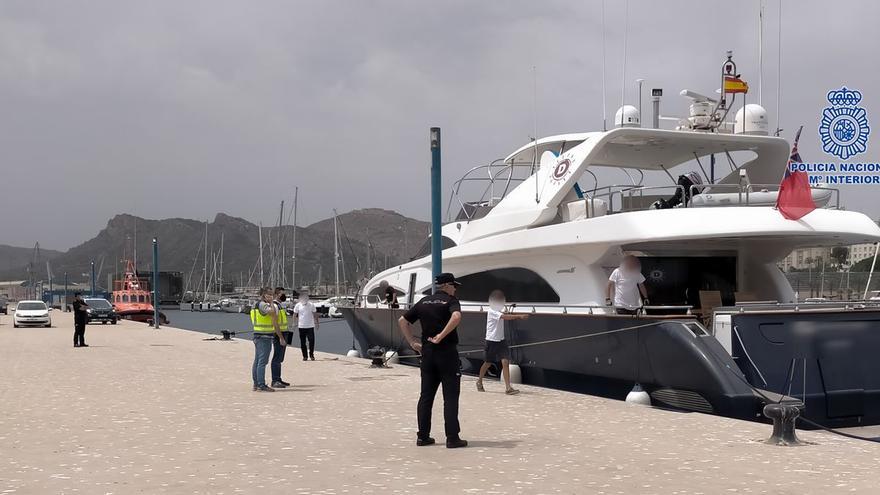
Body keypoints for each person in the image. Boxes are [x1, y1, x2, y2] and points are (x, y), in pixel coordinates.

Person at [398, 272, 468, 449]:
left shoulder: (423, 302)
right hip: (446, 353)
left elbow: (402, 320)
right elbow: (457, 317)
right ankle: (452, 438)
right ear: (447, 286)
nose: (455, 290)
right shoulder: (451, 301)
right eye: (454, 286)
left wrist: (413, 342)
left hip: (427, 354)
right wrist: (441, 336)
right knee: (450, 396)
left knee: (426, 396)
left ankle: (423, 436)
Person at [476, 290, 529, 395]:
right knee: (488, 363)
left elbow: (504, 314)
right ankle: (479, 381)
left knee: (505, 362)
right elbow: (504, 317)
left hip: (501, 340)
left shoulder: (498, 310)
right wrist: (519, 316)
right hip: (491, 340)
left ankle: (508, 388)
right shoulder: (492, 311)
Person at [250, 287, 287, 392]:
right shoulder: (262, 305)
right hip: (263, 336)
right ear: (263, 295)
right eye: (269, 295)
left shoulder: (255, 305)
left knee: (257, 361)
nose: (271, 297)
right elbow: (272, 313)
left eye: (271, 295)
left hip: (259, 335)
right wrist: (271, 303)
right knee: (262, 362)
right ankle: (261, 384)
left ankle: (256, 383)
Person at [270, 287, 292, 388]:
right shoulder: (275, 305)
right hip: (279, 334)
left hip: (284, 332)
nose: (284, 296)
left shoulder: (280, 305)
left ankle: (278, 379)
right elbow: (275, 323)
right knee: (277, 358)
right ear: (277, 294)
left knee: (280, 358)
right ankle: (275, 380)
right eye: (282, 294)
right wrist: (281, 337)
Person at [293, 291, 319, 361]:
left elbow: (315, 314)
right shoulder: (298, 305)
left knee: (312, 341)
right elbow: (295, 314)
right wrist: (294, 323)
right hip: (301, 326)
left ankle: (311, 354)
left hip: (310, 326)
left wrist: (317, 323)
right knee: (302, 342)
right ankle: (305, 356)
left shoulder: (311, 305)